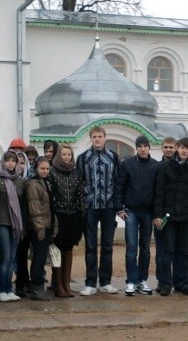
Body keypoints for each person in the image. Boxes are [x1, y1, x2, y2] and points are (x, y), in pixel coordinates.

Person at [76, 126, 121, 295]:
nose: (97, 139)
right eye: (94, 136)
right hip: (90, 207)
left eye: (100, 136)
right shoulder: (83, 158)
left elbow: (118, 182)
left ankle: (106, 281)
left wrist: (117, 205)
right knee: (91, 245)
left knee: (108, 245)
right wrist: (83, 202)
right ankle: (90, 282)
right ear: (91, 138)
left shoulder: (113, 157)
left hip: (108, 207)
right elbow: (79, 182)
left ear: (104, 138)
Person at [154, 137, 188, 297]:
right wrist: (158, 215)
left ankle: (184, 283)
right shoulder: (164, 167)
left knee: (185, 252)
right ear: (177, 149)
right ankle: (166, 283)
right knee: (167, 250)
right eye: (182, 147)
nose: (184, 151)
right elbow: (159, 192)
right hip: (169, 215)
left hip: (186, 216)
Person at [115, 136, 158, 296]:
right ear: (136, 148)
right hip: (131, 211)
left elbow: (158, 191)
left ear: (149, 147)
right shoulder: (127, 164)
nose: (142, 149)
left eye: (145, 146)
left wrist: (157, 213)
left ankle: (142, 280)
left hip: (148, 212)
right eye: (139, 146)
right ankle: (131, 281)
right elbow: (119, 185)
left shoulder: (156, 166)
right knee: (131, 247)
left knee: (145, 249)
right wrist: (119, 208)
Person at [50, 144, 85, 298]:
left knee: (68, 250)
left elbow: (81, 193)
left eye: (68, 154)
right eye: (63, 154)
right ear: (59, 155)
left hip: (73, 215)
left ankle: (66, 284)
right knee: (56, 249)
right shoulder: (52, 172)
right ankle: (58, 286)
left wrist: (81, 212)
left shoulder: (77, 173)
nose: (66, 157)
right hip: (58, 215)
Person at [0, 150, 25, 302]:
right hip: (1, 222)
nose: (11, 163)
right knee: (4, 256)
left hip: (15, 224)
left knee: (12, 257)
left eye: (13, 160)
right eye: (8, 160)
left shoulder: (19, 180)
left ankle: (8, 288)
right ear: (3, 162)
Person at [25, 156, 55, 301]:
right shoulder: (33, 184)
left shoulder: (45, 182)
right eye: (42, 168)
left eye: (47, 168)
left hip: (45, 225)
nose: (45, 171)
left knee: (41, 257)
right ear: (36, 168)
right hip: (38, 227)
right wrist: (40, 228)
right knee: (38, 257)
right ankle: (36, 287)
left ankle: (37, 286)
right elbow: (35, 209)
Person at [154, 137, 177, 293]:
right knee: (161, 250)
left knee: (172, 250)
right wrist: (157, 215)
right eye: (166, 147)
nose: (168, 149)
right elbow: (156, 192)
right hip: (160, 214)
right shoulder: (158, 166)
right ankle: (162, 281)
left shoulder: (178, 166)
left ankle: (171, 282)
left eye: (171, 147)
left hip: (175, 214)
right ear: (162, 148)